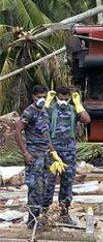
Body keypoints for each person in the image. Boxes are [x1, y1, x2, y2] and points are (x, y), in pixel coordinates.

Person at [43, 86, 90, 224]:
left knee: (67, 183)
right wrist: (47, 103)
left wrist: (78, 104)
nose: (63, 101)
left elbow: (86, 120)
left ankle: (64, 213)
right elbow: (39, 119)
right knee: (48, 182)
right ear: (56, 97)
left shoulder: (73, 109)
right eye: (60, 98)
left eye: (66, 99)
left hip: (69, 151)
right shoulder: (51, 109)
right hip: (52, 151)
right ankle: (44, 213)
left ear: (69, 97)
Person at [15, 85, 54, 229]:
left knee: (45, 187)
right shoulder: (29, 112)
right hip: (34, 155)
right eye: (39, 97)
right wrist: (25, 152)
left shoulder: (44, 111)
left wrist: (53, 152)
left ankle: (40, 218)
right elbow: (17, 132)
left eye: (44, 96)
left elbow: (46, 133)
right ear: (33, 97)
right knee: (35, 187)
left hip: (45, 155)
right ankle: (32, 221)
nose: (42, 99)